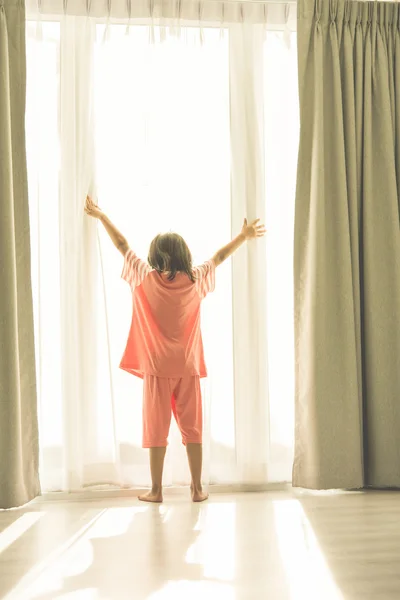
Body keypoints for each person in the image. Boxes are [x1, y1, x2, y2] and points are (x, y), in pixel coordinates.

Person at [85, 196, 266, 503]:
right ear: (184, 256)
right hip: (188, 367)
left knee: (156, 431)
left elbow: (122, 244)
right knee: (192, 430)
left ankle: (156, 490)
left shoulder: (144, 277)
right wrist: (243, 237)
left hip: (157, 369)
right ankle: (196, 489)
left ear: (155, 257)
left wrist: (101, 216)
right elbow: (219, 257)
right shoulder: (195, 280)